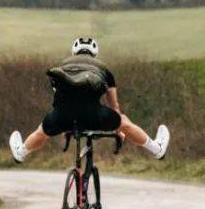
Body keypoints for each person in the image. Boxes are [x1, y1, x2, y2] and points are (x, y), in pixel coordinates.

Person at [9, 37, 170, 162]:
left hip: (63, 116)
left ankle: (21, 153)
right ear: (95, 54)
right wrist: (118, 129)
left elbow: (59, 101)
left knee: (42, 131)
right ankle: (156, 149)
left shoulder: (63, 67)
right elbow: (114, 106)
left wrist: (64, 127)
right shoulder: (103, 69)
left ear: (74, 52)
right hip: (94, 115)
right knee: (124, 122)